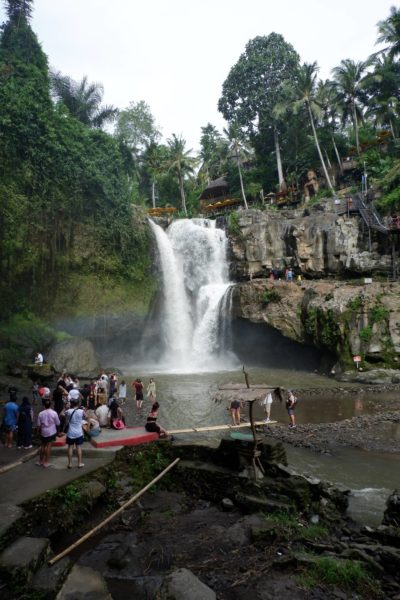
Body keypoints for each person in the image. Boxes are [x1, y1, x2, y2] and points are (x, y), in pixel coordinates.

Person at [37, 399, 60, 467]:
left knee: (43, 446)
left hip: (43, 431)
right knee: (49, 446)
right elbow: (58, 423)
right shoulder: (54, 413)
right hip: (51, 431)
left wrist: (38, 432)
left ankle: (40, 461)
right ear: (51, 405)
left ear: (44, 405)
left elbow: (38, 425)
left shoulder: (40, 413)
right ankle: (46, 462)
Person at [64, 398, 85, 469]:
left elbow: (61, 415)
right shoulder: (81, 411)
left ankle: (70, 464)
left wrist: (65, 408)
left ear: (71, 404)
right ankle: (79, 463)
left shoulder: (68, 411)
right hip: (79, 433)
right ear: (78, 404)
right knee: (78, 447)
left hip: (70, 433)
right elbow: (86, 416)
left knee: (70, 447)